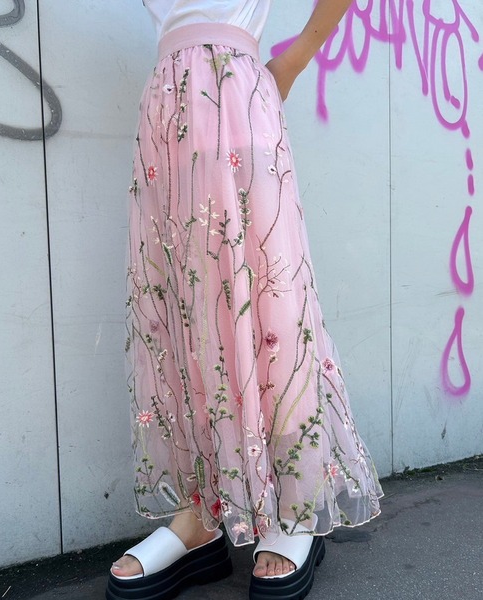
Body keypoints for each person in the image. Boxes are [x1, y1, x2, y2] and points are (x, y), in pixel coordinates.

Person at [107, 1, 383, 599]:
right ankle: (200, 513)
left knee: (271, 301)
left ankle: (296, 505)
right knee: (184, 310)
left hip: (237, 93)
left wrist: (295, 59)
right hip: (167, 114)